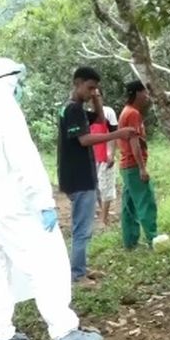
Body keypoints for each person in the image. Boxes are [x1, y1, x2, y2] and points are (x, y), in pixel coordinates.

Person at [0, 57, 103, 340]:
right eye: (19, 81)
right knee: (48, 263)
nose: (21, 88)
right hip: (14, 206)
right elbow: (25, 162)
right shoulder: (7, 112)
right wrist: (44, 203)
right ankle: (65, 332)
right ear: (10, 81)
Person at [57, 67, 136, 283]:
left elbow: (100, 120)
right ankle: (78, 274)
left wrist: (96, 99)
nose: (92, 92)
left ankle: (79, 267)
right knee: (82, 229)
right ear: (77, 83)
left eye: (96, 89)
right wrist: (118, 134)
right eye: (90, 88)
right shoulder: (73, 109)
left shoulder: (77, 109)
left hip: (78, 176)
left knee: (81, 226)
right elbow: (84, 140)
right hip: (79, 177)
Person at [118, 80, 158, 250]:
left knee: (130, 205)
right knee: (145, 201)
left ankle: (130, 241)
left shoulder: (126, 112)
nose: (147, 96)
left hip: (125, 166)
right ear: (137, 93)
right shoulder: (133, 113)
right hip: (133, 166)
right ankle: (153, 239)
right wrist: (142, 168)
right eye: (145, 92)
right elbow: (134, 142)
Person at [89, 88, 119, 227]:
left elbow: (113, 133)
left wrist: (110, 153)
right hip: (90, 156)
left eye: (98, 95)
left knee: (106, 186)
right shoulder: (85, 114)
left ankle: (103, 218)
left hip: (103, 155)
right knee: (95, 187)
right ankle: (102, 212)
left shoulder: (108, 112)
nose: (95, 98)